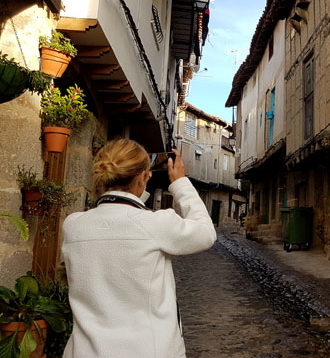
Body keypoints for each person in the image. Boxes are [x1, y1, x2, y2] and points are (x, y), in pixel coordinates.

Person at [61, 139, 217, 358]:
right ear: (145, 176)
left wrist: (136, 186)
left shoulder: (73, 225)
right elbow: (206, 233)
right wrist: (181, 183)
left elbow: (120, 214)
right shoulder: (156, 225)